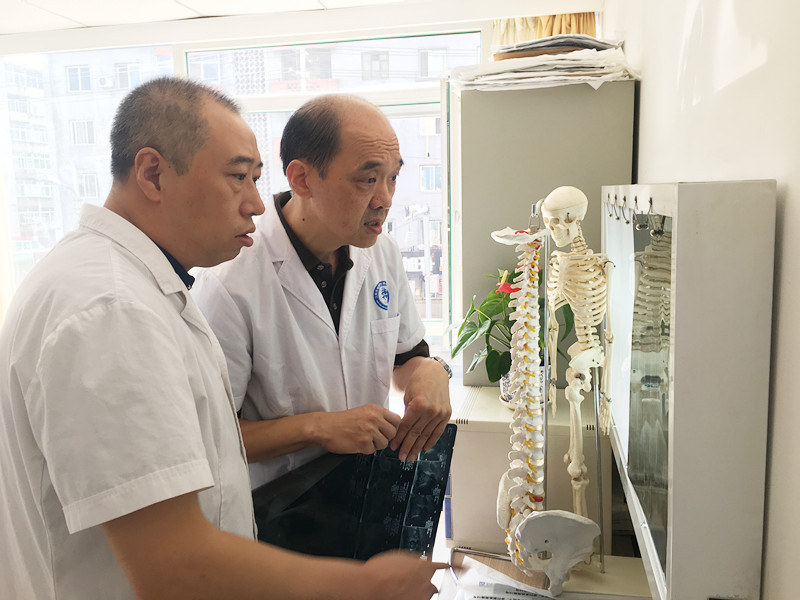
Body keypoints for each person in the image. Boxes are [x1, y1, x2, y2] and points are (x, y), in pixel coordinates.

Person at [0, 77, 445, 600]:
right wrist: (367, 586)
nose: (256, 204)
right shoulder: (111, 311)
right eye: (238, 178)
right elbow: (173, 565)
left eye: (256, 179)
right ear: (153, 174)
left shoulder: (138, 288)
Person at [191, 94, 452, 493]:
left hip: (365, 492)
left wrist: (430, 371)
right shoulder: (229, 280)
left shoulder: (381, 252)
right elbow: (212, 435)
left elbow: (404, 359)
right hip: (280, 508)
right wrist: (317, 428)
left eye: (393, 178)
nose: (385, 200)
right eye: (368, 180)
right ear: (302, 179)